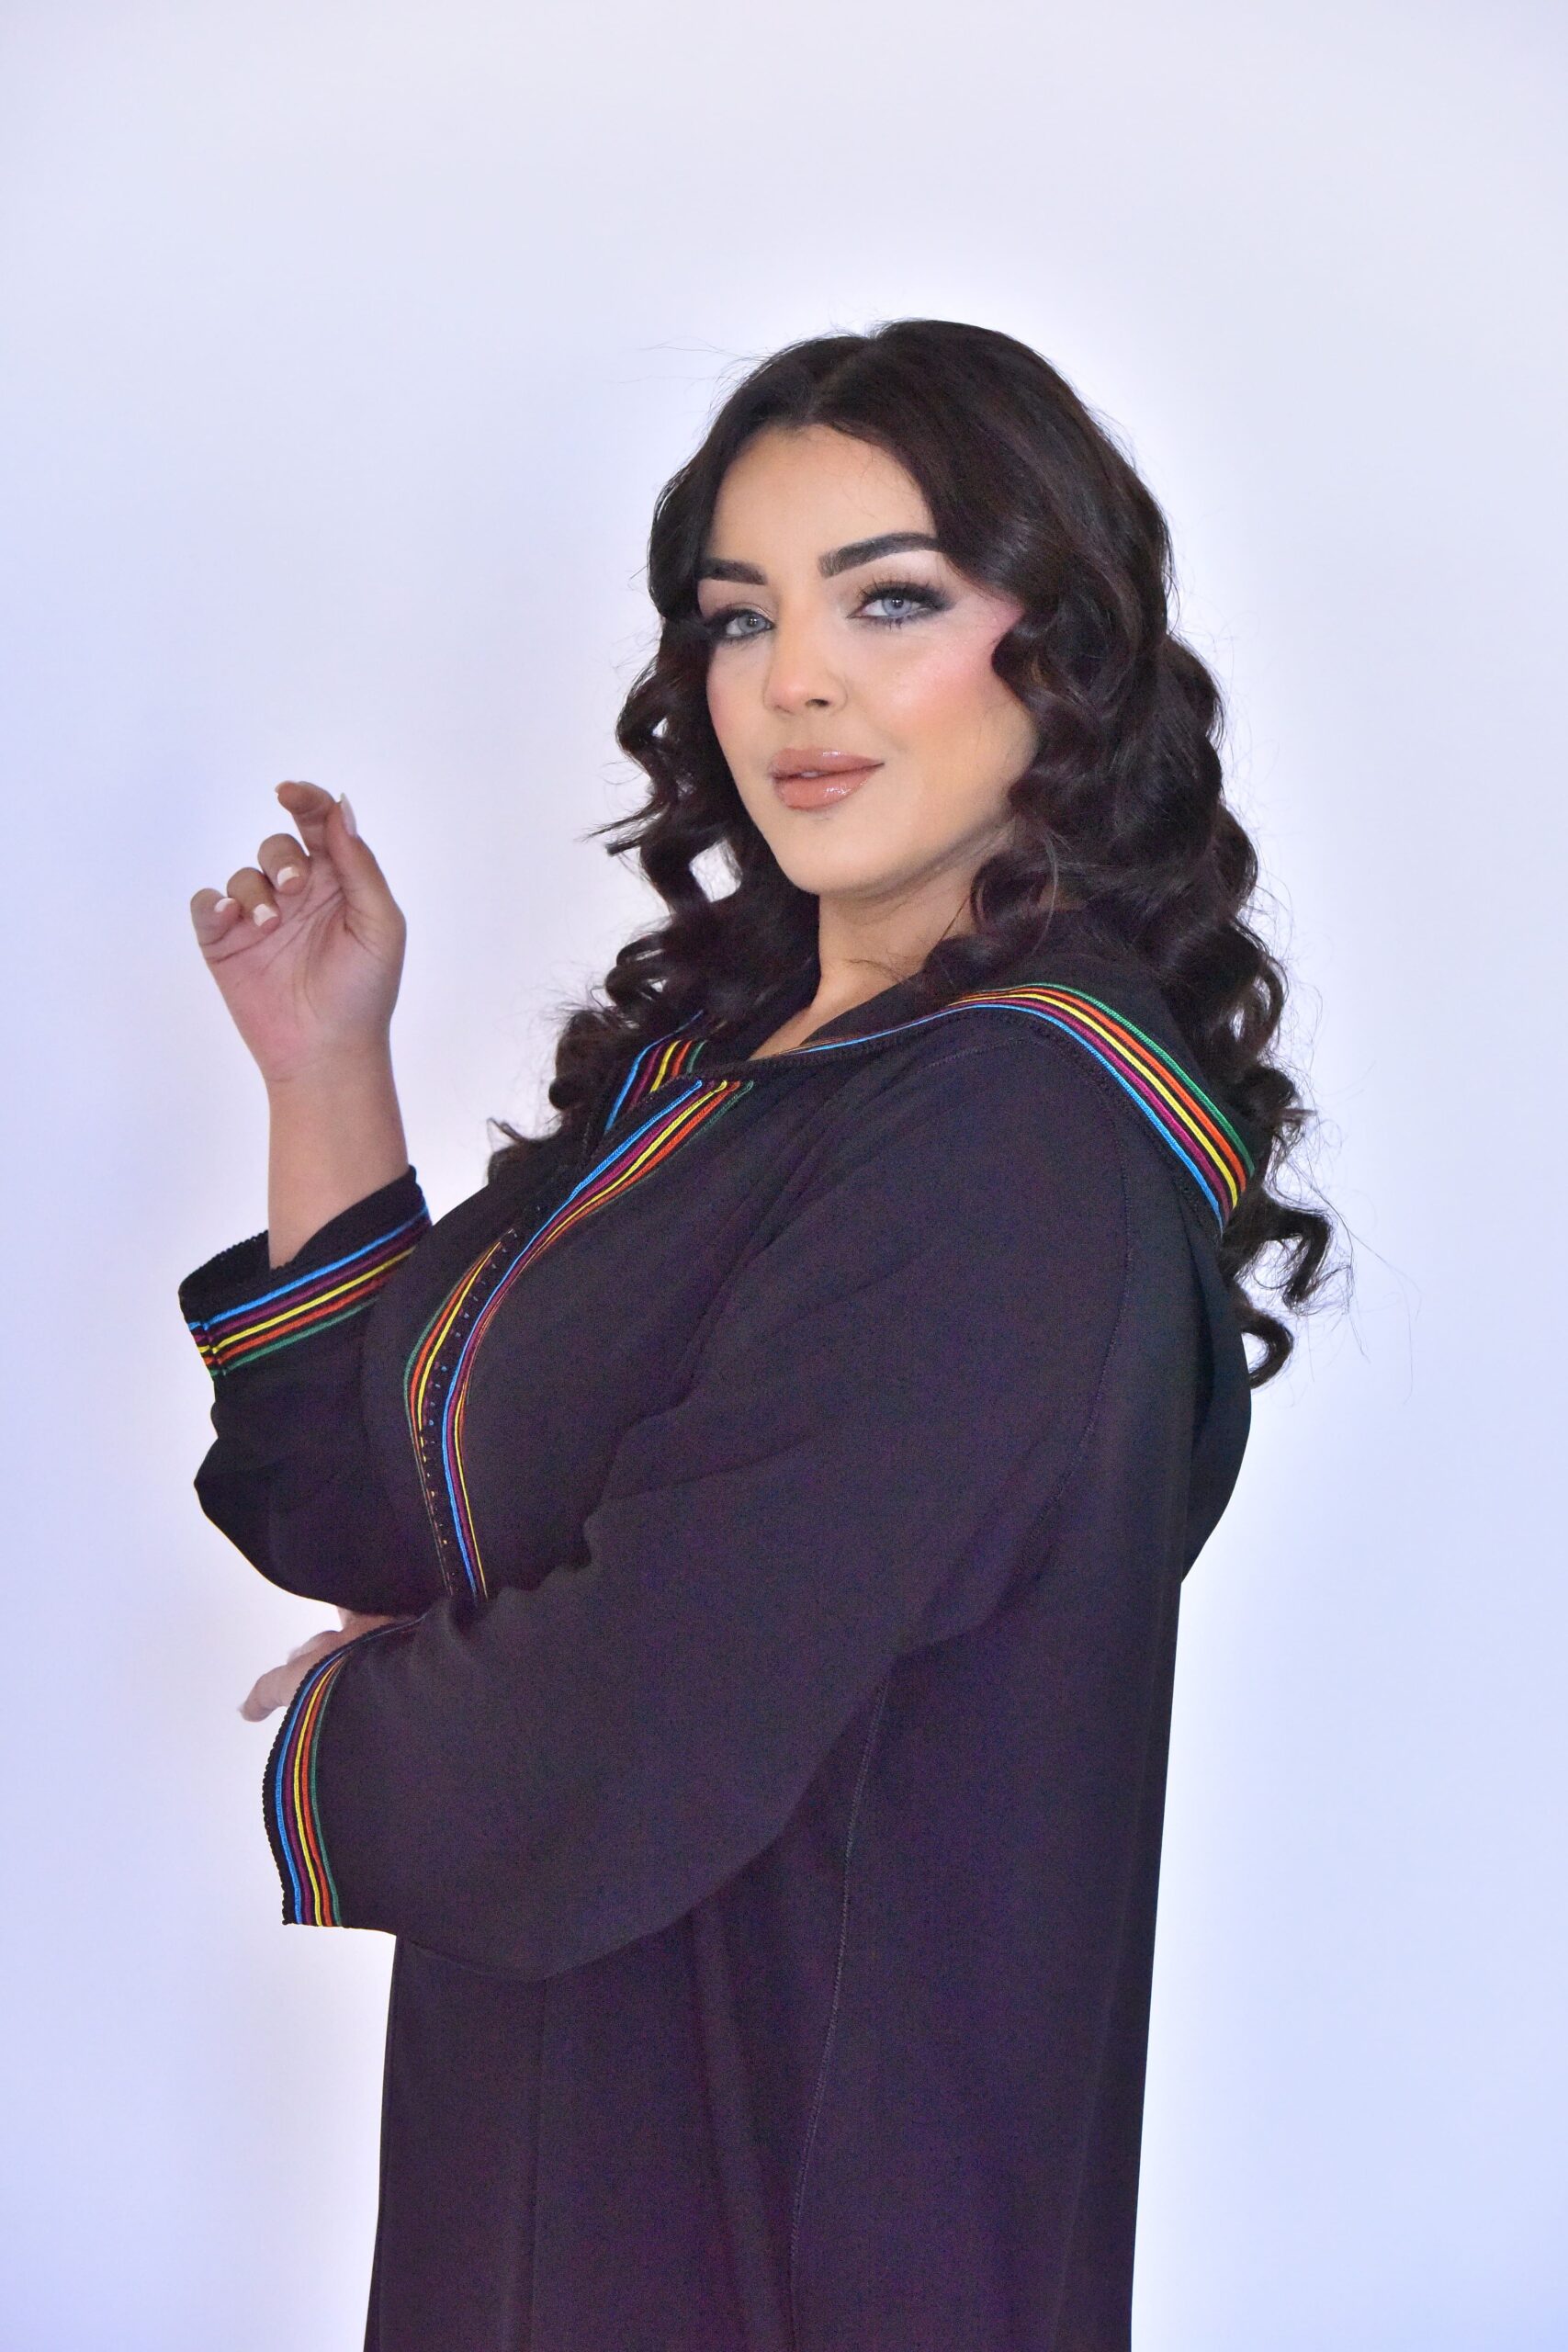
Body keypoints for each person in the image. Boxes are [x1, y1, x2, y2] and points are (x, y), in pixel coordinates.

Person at [179, 318, 1337, 2352]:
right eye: (739, 617)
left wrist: (356, 1720)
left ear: (1061, 650)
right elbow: (379, 1512)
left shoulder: (1014, 1132)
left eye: (888, 599)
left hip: (798, 2198)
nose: (792, 679)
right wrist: (321, 1064)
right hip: (551, 2134)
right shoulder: (731, 1076)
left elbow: (632, 1721)